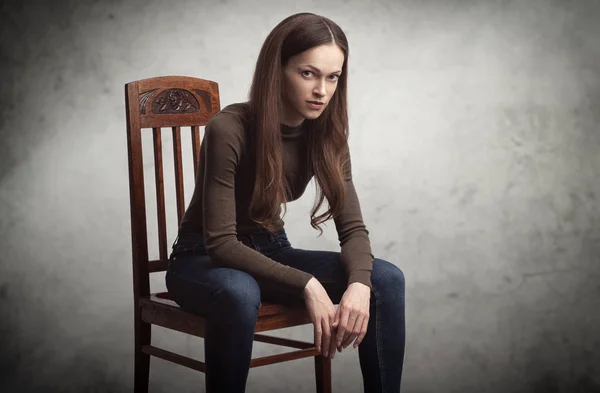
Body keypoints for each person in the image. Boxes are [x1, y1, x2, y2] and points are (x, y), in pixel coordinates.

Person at [165, 12, 406, 393]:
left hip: (271, 250)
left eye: (333, 77)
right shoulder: (228, 129)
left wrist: (359, 285)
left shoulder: (327, 136)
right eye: (308, 73)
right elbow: (222, 244)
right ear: (277, 70)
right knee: (240, 291)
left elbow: (353, 229)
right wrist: (307, 284)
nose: (322, 91)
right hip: (202, 261)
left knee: (385, 279)